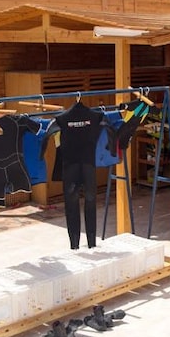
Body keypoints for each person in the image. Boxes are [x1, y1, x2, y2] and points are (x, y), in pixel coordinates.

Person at [40, 100, 115, 249]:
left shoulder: (62, 118)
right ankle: (92, 243)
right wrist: (111, 149)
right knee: (90, 202)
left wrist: (41, 155)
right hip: (88, 165)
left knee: (71, 204)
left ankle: (74, 245)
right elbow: (110, 129)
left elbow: (46, 135)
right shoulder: (95, 116)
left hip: (70, 166)